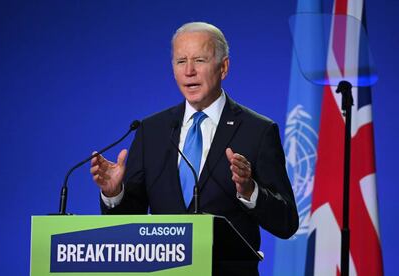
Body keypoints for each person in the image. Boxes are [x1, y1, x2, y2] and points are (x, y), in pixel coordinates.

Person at [90, 22, 298, 275]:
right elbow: (128, 223)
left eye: (199, 60)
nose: (189, 71)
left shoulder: (257, 131)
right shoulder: (151, 130)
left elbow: (286, 223)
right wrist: (115, 194)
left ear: (224, 68)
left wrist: (249, 191)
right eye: (180, 61)